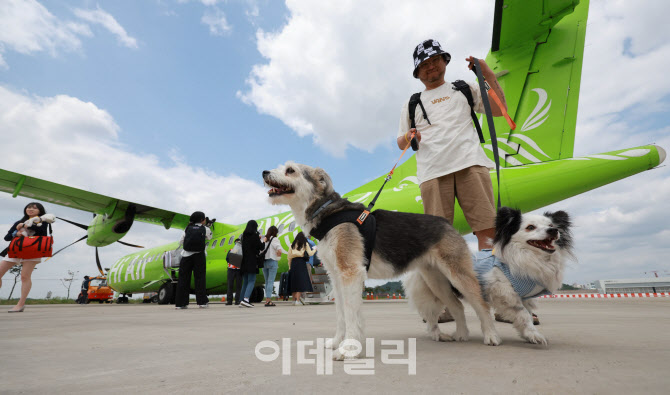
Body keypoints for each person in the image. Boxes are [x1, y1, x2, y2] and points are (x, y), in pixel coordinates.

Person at [398, 39, 509, 251]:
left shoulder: (464, 88)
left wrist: (488, 74)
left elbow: (499, 108)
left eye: (435, 59)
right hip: (432, 173)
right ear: (417, 72)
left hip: (471, 164)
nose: (430, 66)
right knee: (438, 238)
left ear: (445, 61)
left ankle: (490, 279)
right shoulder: (411, 103)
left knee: (488, 230)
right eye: (424, 64)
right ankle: (448, 283)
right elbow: (400, 141)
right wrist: (409, 136)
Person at [0, 202, 56, 313]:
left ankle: (20, 304)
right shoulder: (19, 222)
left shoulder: (43, 221)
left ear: (40, 211)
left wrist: (27, 226)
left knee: (25, 277)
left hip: (32, 251)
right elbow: (6, 237)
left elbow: (42, 234)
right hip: (15, 250)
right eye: (29, 207)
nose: (30, 209)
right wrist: (16, 233)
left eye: (34, 208)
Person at [175, 211, 212, 310]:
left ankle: (180, 303)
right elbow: (209, 237)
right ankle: (202, 302)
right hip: (199, 255)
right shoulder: (205, 228)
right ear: (202, 220)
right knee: (200, 279)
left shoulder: (187, 228)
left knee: (183, 279)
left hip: (186, 255)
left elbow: (180, 241)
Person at [287, 232, 315, 305]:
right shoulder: (305, 244)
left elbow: (289, 257)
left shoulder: (292, 245)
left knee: (293, 281)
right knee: (300, 281)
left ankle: (293, 300)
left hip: (293, 263)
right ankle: (298, 300)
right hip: (301, 262)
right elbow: (310, 253)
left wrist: (290, 266)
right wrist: (315, 249)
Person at [239, 220, 263, 308]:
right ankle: (246, 299)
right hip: (252, 261)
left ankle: (241, 300)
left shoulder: (243, 236)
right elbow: (261, 247)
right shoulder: (255, 235)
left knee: (245, 281)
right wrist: (263, 240)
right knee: (252, 281)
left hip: (244, 262)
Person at [260, 226, 286, 307]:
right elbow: (279, 250)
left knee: (267, 281)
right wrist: (278, 258)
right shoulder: (274, 239)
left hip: (264, 262)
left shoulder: (264, 239)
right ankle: (268, 300)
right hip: (272, 261)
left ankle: (267, 300)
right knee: (271, 281)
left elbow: (261, 250)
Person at [225, 238, 243, 305]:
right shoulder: (232, 250)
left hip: (234, 270)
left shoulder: (231, 250)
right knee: (234, 286)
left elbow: (227, 259)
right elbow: (227, 259)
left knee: (233, 286)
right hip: (234, 270)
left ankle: (231, 301)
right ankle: (235, 301)